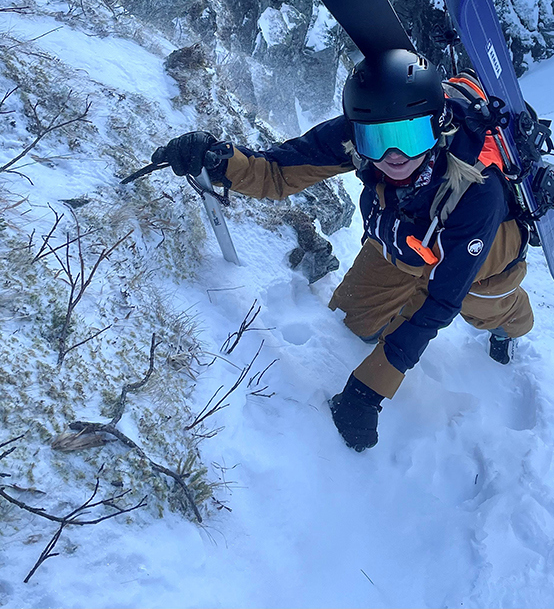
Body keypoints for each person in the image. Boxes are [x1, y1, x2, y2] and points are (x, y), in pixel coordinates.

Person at [152, 49, 533, 452]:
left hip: (482, 259)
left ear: (437, 127)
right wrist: (219, 163)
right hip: (401, 243)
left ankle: (511, 323)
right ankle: (405, 294)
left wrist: (369, 391)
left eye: (410, 138)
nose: (394, 157)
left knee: (485, 305)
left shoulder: (480, 191)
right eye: (378, 141)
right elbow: (279, 169)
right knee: (353, 323)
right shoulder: (361, 129)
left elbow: (441, 303)